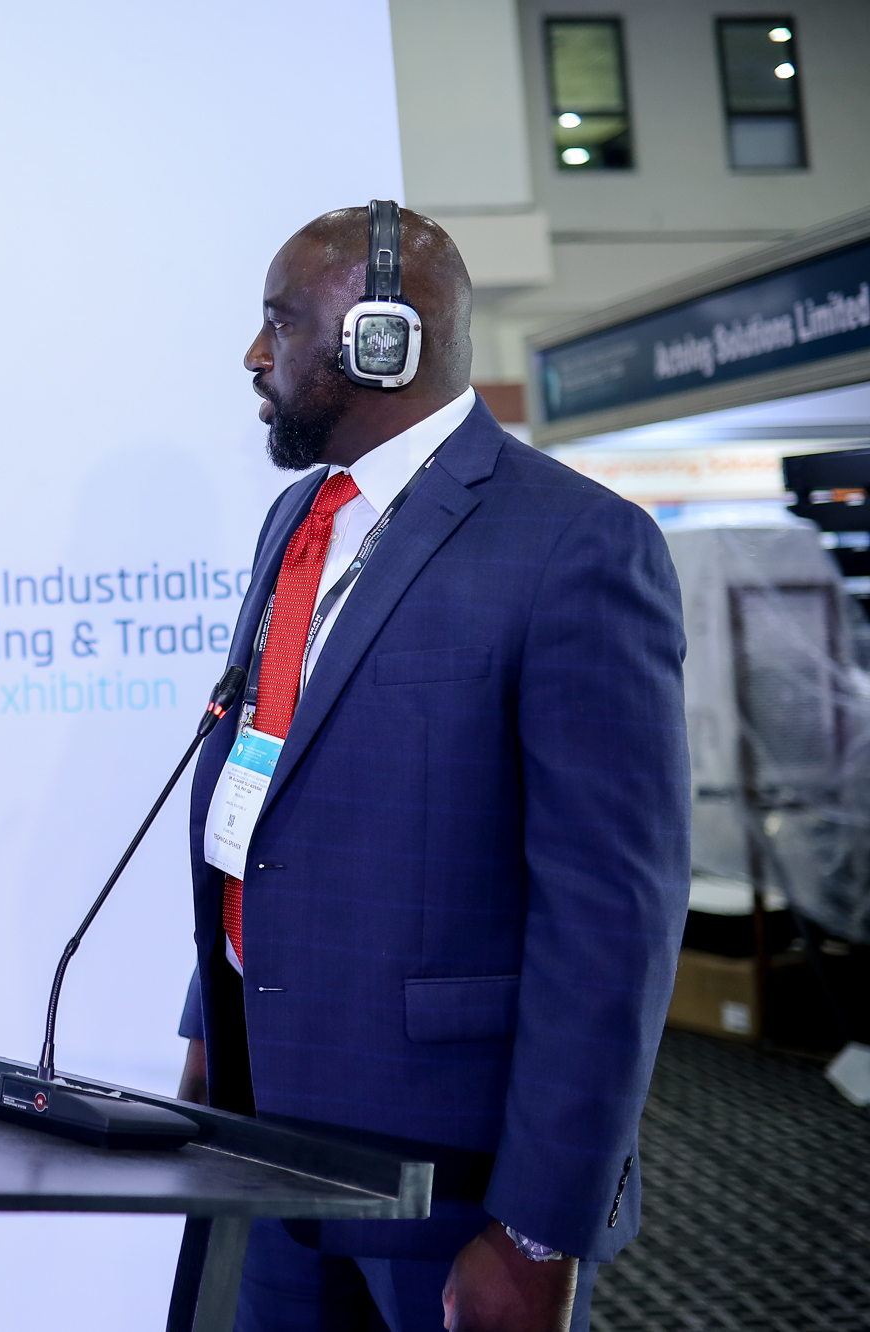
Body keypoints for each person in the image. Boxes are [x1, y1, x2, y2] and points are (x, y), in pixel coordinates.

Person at [176, 204, 688, 1332]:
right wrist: (211, 1032)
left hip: (446, 1176)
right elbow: (265, 797)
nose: (255, 354)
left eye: (280, 322)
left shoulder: (576, 544)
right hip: (261, 1139)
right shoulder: (297, 520)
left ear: (382, 343)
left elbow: (612, 919)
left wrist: (538, 1230)